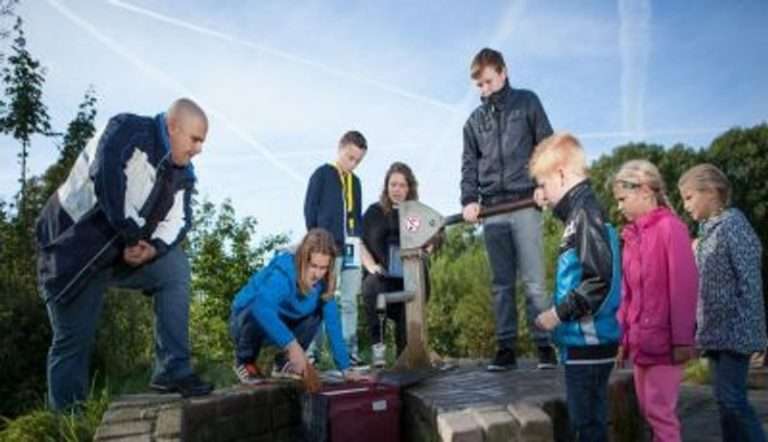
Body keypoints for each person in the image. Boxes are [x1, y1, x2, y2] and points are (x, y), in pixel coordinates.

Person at [36, 98, 213, 411]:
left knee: (174, 268)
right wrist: (132, 234)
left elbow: (179, 220)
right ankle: (66, 420)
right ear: (173, 127)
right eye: (195, 139)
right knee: (72, 340)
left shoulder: (183, 174)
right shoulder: (127, 129)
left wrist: (152, 248)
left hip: (121, 250)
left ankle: (172, 370)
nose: (199, 149)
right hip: (72, 252)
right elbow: (108, 178)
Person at [460, 47, 557, 370]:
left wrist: (543, 184)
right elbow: (469, 165)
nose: (485, 89)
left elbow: (546, 146)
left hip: (525, 201)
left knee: (534, 281)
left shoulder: (527, 102)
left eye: (489, 81)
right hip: (492, 209)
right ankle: (506, 349)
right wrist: (469, 200)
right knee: (501, 284)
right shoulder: (474, 122)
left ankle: (544, 345)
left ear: (503, 72)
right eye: (479, 85)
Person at [530, 133, 621, 441]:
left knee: (586, 426)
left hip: (588, 343)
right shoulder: (582, 211)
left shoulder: (584, 214)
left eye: (543, 185)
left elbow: (597, 280)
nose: (542, 194)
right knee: (590, 422)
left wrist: (556, 314)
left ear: (560, 174)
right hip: (588, 344)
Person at [678, 164, 767, 442]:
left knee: (733, 401)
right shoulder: (707, 233)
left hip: (734, 334)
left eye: (689, 197)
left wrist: (747, 333)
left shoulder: (733, 225)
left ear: (712, 192)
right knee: (725, 403)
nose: (685, 206)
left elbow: (750, 282)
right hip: (715, 334)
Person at [613, 159, 698, 442]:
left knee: (660, 413)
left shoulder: (671, 228)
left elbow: (683, 287)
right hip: (641, 342)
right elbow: (627, 294)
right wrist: (622, 339)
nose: (619, 207)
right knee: (649, 412)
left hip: (666, 343)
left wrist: (682, 341)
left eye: (623, 199)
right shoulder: (631, 237)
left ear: (645, 190)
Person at [230, 229, 368, 384]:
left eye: (323, 268)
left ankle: (284, 363)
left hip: (282, 322)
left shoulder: (323, 283)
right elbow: (261, 307)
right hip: (246, 320)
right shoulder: (284, 272)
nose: (317, 274)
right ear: (302, 259)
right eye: (313, 266)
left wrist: (345, 369)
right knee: (257, 307)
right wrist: (292, 345)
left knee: (317, 311)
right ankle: (245, 361)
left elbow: (333, 325)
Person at [304, 130, 367, 366]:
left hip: (352, 247)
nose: (353, 164)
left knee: (349, 301)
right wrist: (317, 244)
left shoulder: (356, 183)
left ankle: (350, 352)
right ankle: (312, 353)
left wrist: (359, 240)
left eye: (358, 161)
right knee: (321, 298)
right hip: (327, 249)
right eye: (350, 158)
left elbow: (357, 216)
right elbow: (309, 210)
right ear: (340, 149)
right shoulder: (322, 174)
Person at [361, 162, 418, 366]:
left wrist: (429, 246)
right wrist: (371, 265)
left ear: (409, 188)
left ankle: (407, 357)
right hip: (382, 277)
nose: (397, 189)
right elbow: (359, 241)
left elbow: (435, 233)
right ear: (386, 186)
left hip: (409, 277)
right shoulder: (373, 212)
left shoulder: (415, 213)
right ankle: (378, 351)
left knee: (412, 303)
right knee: (371, 286)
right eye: (393, 184)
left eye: (402, 185)